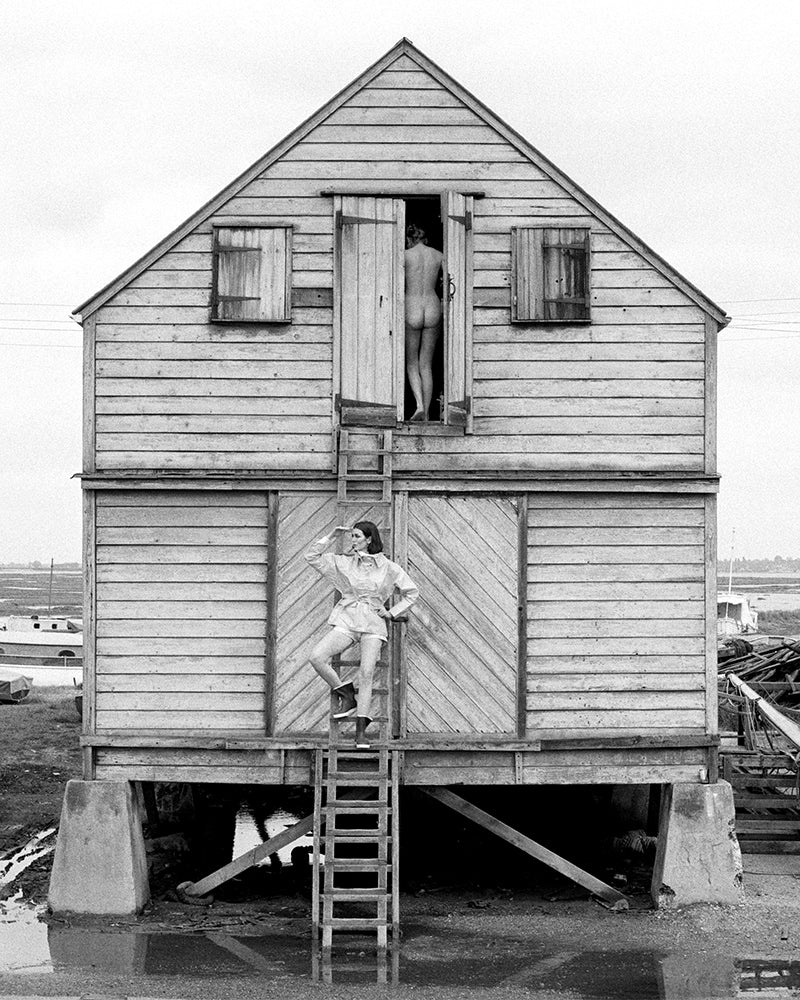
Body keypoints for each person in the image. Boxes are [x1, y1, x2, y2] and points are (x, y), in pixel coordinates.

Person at [304, 522, 419, 748]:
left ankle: (361, 732)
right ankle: (346, 694)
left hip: (374, 625)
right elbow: (311, 556)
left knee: (366, 674)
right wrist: (330, 535)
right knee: (316, 657)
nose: (353, 540)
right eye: (352, 536)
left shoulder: (388, 567)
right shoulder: (344, 562)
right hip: (347, 620)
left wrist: (391, 612)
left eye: (357, 536)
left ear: (369, 539)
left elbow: (412, 592)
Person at [404, 224, 443, 421]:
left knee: (411, 363)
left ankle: (418, 405)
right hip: (433, 305)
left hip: (412, 305)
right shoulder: (439, 255)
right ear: (425, 238)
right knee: (425, 364)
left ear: (410, 239)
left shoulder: (405, 255)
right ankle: (427, 414)